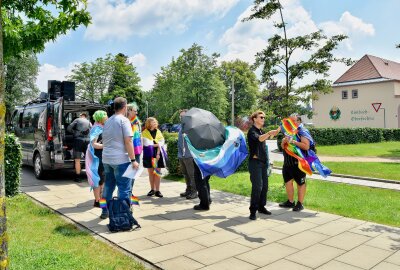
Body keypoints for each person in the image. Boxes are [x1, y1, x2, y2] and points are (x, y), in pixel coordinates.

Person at [100, 97, 139, 219]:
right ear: (125, 107)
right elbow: (128, 141)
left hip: (107, 159)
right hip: (121, 160)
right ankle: (123, 214)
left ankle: (104, 211)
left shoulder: (108, 121)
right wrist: (133, 160)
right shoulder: (124, 121)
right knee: (124, 189)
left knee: (107, 187)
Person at [279, 114, 310, 212]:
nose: (292, 122)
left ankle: (300, 204)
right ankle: (290, 202)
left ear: (299, 122)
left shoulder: (302, 132)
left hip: (298, 163)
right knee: (288, 182)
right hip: (287, 163)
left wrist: (293, 142)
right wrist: (283, 142)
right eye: (290, 121)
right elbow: (282, 147)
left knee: (300, 183)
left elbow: (306, 146)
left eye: (294, 121)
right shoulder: (288, 132)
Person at [247, 110, 273, 220]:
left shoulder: (261, 131)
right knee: (257, 187)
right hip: (255, 163)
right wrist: (269, 133)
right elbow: (259, 139)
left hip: (263, 162)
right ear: (255, 119)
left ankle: (261, 207)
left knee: (264, 187)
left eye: (264, 117)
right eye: (261, 117)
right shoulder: (252, 131)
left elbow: (265, 141)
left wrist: (277, 131)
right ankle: (253, 210)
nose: (263, 119)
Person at [85, 110, 108, 207]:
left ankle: (100, 200)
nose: (107, 117)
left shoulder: (101, 127)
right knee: (98, 179)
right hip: (97, 157)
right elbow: (93, 144)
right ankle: (98, 201)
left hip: (103, 156)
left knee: (102, 179)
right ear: (101, 118)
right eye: (105, 116)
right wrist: (106, 146)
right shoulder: (96, 128)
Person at [142, 117, 166, 198]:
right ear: (148, 123)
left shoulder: (158, 131)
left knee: (157, 173)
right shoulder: (144, 132)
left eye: (155, 122)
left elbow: (161, 143)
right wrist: (156, 144)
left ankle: (157, 190)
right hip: (149, 153)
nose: (155, 123)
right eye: (153, 122)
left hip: (157, 154)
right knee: (151, 173)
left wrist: (158, 153)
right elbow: (146, 144)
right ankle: (152, 189)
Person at [178, 109, 197, 200]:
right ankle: (188, 190)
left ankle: (194, 192)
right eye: (180, 116)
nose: (181, 117)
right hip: (181, 155)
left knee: (191, 174)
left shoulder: (191, 127)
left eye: (183, 116)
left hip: (189, 155)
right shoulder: (181, 127)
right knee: (185, 174)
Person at [67, 112, 92, 182]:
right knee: (88, 160)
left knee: (77, 160)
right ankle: (89, 177)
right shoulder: (89, 122)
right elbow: (92, 132)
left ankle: (78, 177)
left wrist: (74, 132)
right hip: (88, 141)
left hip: (78, 141)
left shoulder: (77, 120)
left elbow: (68, 128)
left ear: (81, 115)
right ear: (86, 116)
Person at [127, 102, 143, 193]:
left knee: (134, 172)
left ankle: (130, 191)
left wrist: (141, 147)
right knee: (127, 173)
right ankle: (127, 192)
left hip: (137, 150)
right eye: (135, 111)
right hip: (128, 151)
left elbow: (139, 134)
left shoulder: (136, 121)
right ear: (128, 111)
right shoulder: (125, 121)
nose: (136, 113)